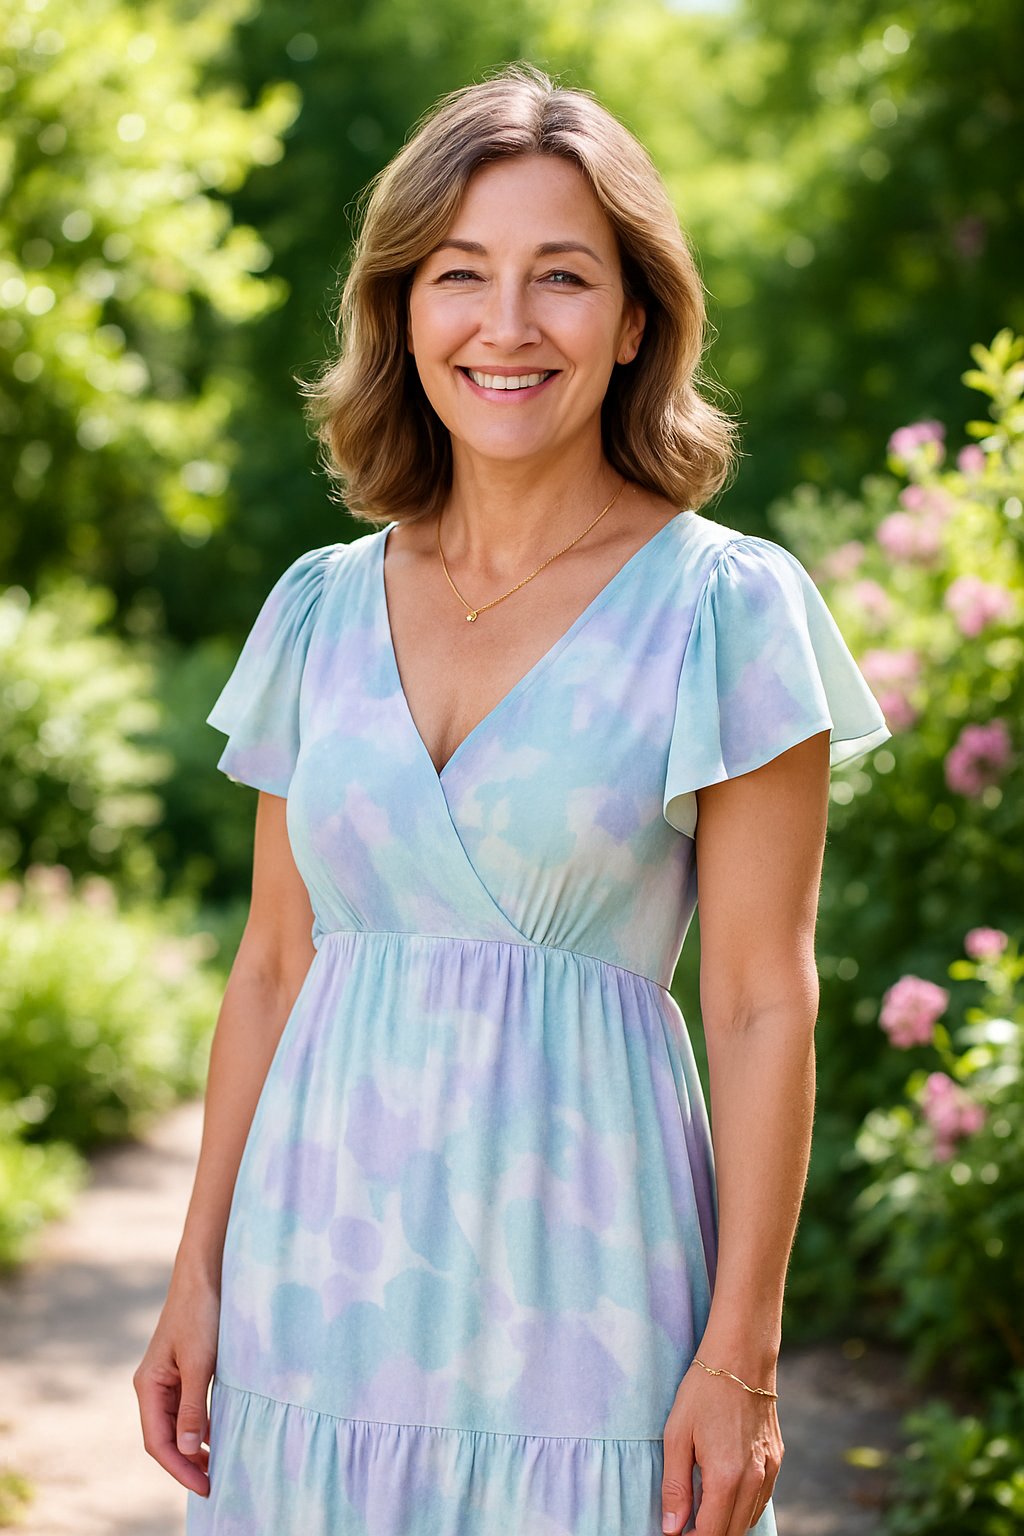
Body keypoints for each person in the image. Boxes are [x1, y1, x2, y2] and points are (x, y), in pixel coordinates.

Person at [134, 61, 891, 1536]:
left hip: (592, 1316)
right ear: (401, 312)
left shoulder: (726, 609)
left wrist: (741, 1355)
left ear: (633, 322)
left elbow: (758, 1002)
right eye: (460, 275)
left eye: (562, 278)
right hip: (314, 1303)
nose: (506, 324)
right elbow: (274, 966)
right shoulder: (315, 608)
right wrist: (197, 1270)